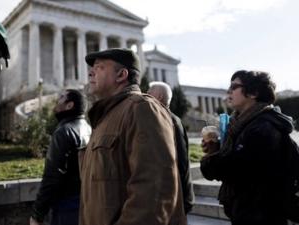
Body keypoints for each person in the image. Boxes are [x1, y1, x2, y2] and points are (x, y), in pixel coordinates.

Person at [79, 48, 186, 225]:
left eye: (99, 67)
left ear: (121, 75)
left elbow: (154, 191)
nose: (90, 72)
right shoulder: (105, 118)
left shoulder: (142, 109)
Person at [200, 70, 294, 225]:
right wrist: (216, 147)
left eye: (234, 87)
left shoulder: (261, 127)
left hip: (261, 214)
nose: (229, 91)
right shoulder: (242, 124)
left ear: (253, 93)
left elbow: (231, 169)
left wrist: (211, 156)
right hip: (247, 210)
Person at [30, 89, 92, 225]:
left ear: (69, 105)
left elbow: (52, 176)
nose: (57, 101)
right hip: (86, 203)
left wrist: (37, 214)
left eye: (61, 98)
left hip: (66, 208)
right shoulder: (88, 129)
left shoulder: (64, 132)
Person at [148, 81, 195, 214]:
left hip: (174, 197)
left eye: (150, 91)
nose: (146, 94)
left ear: (160, 97)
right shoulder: (169, 119)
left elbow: (180, 160)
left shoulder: (168, 121)